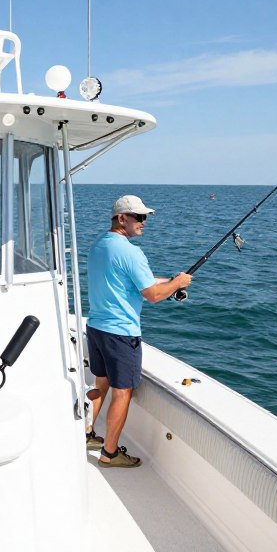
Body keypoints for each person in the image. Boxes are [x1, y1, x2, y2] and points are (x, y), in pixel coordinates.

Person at [86, 195, 192, 468]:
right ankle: (109, 453)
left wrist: (169, 284)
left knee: (101, 383)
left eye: (145, 217)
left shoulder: (99, 246)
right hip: (121, 333)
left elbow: (131, 283)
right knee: (123, 392)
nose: (144, 223)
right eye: (139, 217)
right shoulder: (131, 252)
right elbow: (153, 295)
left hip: (97, 328)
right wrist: (178, 282)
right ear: (122, 218)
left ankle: (87, 434)